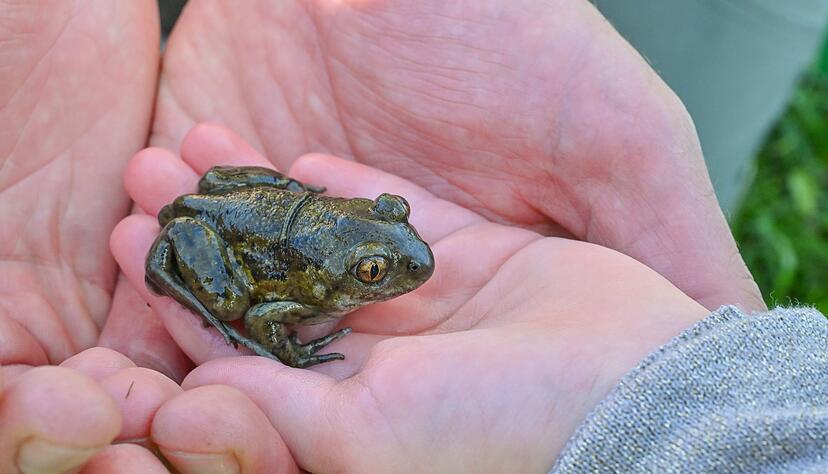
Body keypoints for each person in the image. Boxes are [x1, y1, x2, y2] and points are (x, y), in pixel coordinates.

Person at [0, 1, 824, 472]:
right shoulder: (301, 286)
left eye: (389, 236)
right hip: (239, 231)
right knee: (221, 285)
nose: (400, 265)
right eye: (372, 269)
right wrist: (277, 344)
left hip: (277, 206)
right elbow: (262, 308)